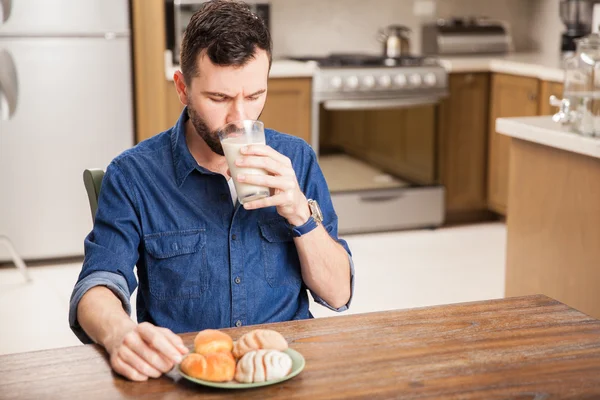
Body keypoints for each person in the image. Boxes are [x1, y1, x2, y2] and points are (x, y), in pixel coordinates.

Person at [69, 0, 354, 382]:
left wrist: (301, 214)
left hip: (282, 371)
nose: (240, 118)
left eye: (254, 96)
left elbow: (338, 294)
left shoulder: (296, 159)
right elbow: (97, 283)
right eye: (219, 99)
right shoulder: (134, 175)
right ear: (183, 89)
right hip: (187, 376)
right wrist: (120, 334)